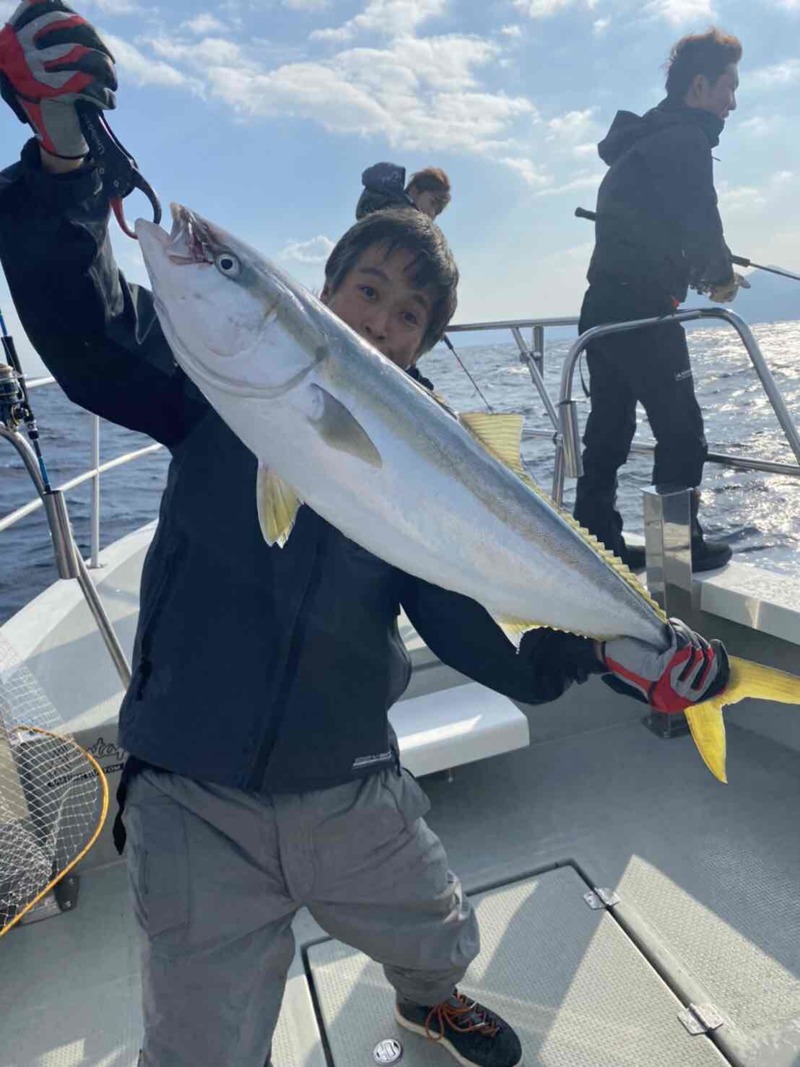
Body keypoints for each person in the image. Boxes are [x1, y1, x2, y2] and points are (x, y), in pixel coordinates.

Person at [0, 5, 730, 1066]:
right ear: (324, 296)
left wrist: (625, 655)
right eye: (366, 291)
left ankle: (427, 997)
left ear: (426, 345)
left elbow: (497, 644)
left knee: (436, 932)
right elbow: (85, 327)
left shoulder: (425, 481)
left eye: (410, 316)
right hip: (193, 792)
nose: (383, 320)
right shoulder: (208, 399)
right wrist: (65, 158)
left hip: (350, 776)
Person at [574, 28, 745, 573]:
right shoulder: (686, 140)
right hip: (644, 311)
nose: (732, 101)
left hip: (601, 310)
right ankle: (679, 548)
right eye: (728, 87)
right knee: (680, 430)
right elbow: (700, 222)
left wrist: (702, 262)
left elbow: (659, 229)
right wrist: (720, 277)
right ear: (699, 86)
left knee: (609, 430)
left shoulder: (642, 144)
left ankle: (597, 541)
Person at [356, 161, 451, 220]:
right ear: (414, 191)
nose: (432, 214)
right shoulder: (401, 220)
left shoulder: (383, 208)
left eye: (437, 212)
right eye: (432, 203)